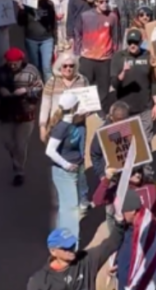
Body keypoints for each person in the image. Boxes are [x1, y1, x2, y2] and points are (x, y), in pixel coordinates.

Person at [0, 47, 44, 185]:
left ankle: (19, 171)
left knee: (20, 144)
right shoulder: (1, 72)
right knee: (7, 141)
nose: (12, 65)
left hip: (25, 113)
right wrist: (0, 92)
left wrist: (26, 91)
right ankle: (16, 157)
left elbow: (39, 89)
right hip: (6, 113)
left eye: (15, 63)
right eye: (10, 63)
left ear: (21, 60)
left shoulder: (32, 71)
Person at [44, 90, 88, 238]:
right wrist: (66, 164)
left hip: (71, 170)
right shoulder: (61, 127)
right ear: (74, 107)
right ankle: (68, 241)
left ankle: (62, 238)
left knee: (68, 207)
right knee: (69, 208)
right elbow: (50, 150)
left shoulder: (71, 121)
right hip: (64, 173)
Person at [26, 227, 122, 290]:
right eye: (66, 247)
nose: (71, 249)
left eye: (72, 245)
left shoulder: (86, 260)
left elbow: (111, 244)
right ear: (53, 251)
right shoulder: (39, 282)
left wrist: (121, 223)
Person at [38, 52, 90, 142]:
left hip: (77, 127)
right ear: (59, 67)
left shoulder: (83, 80)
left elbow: (89, 102)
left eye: (71, 66)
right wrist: (42, 127)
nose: (68, 69)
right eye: (65, 66)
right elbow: (45, 105)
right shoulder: (52, 81)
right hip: (56, 126)